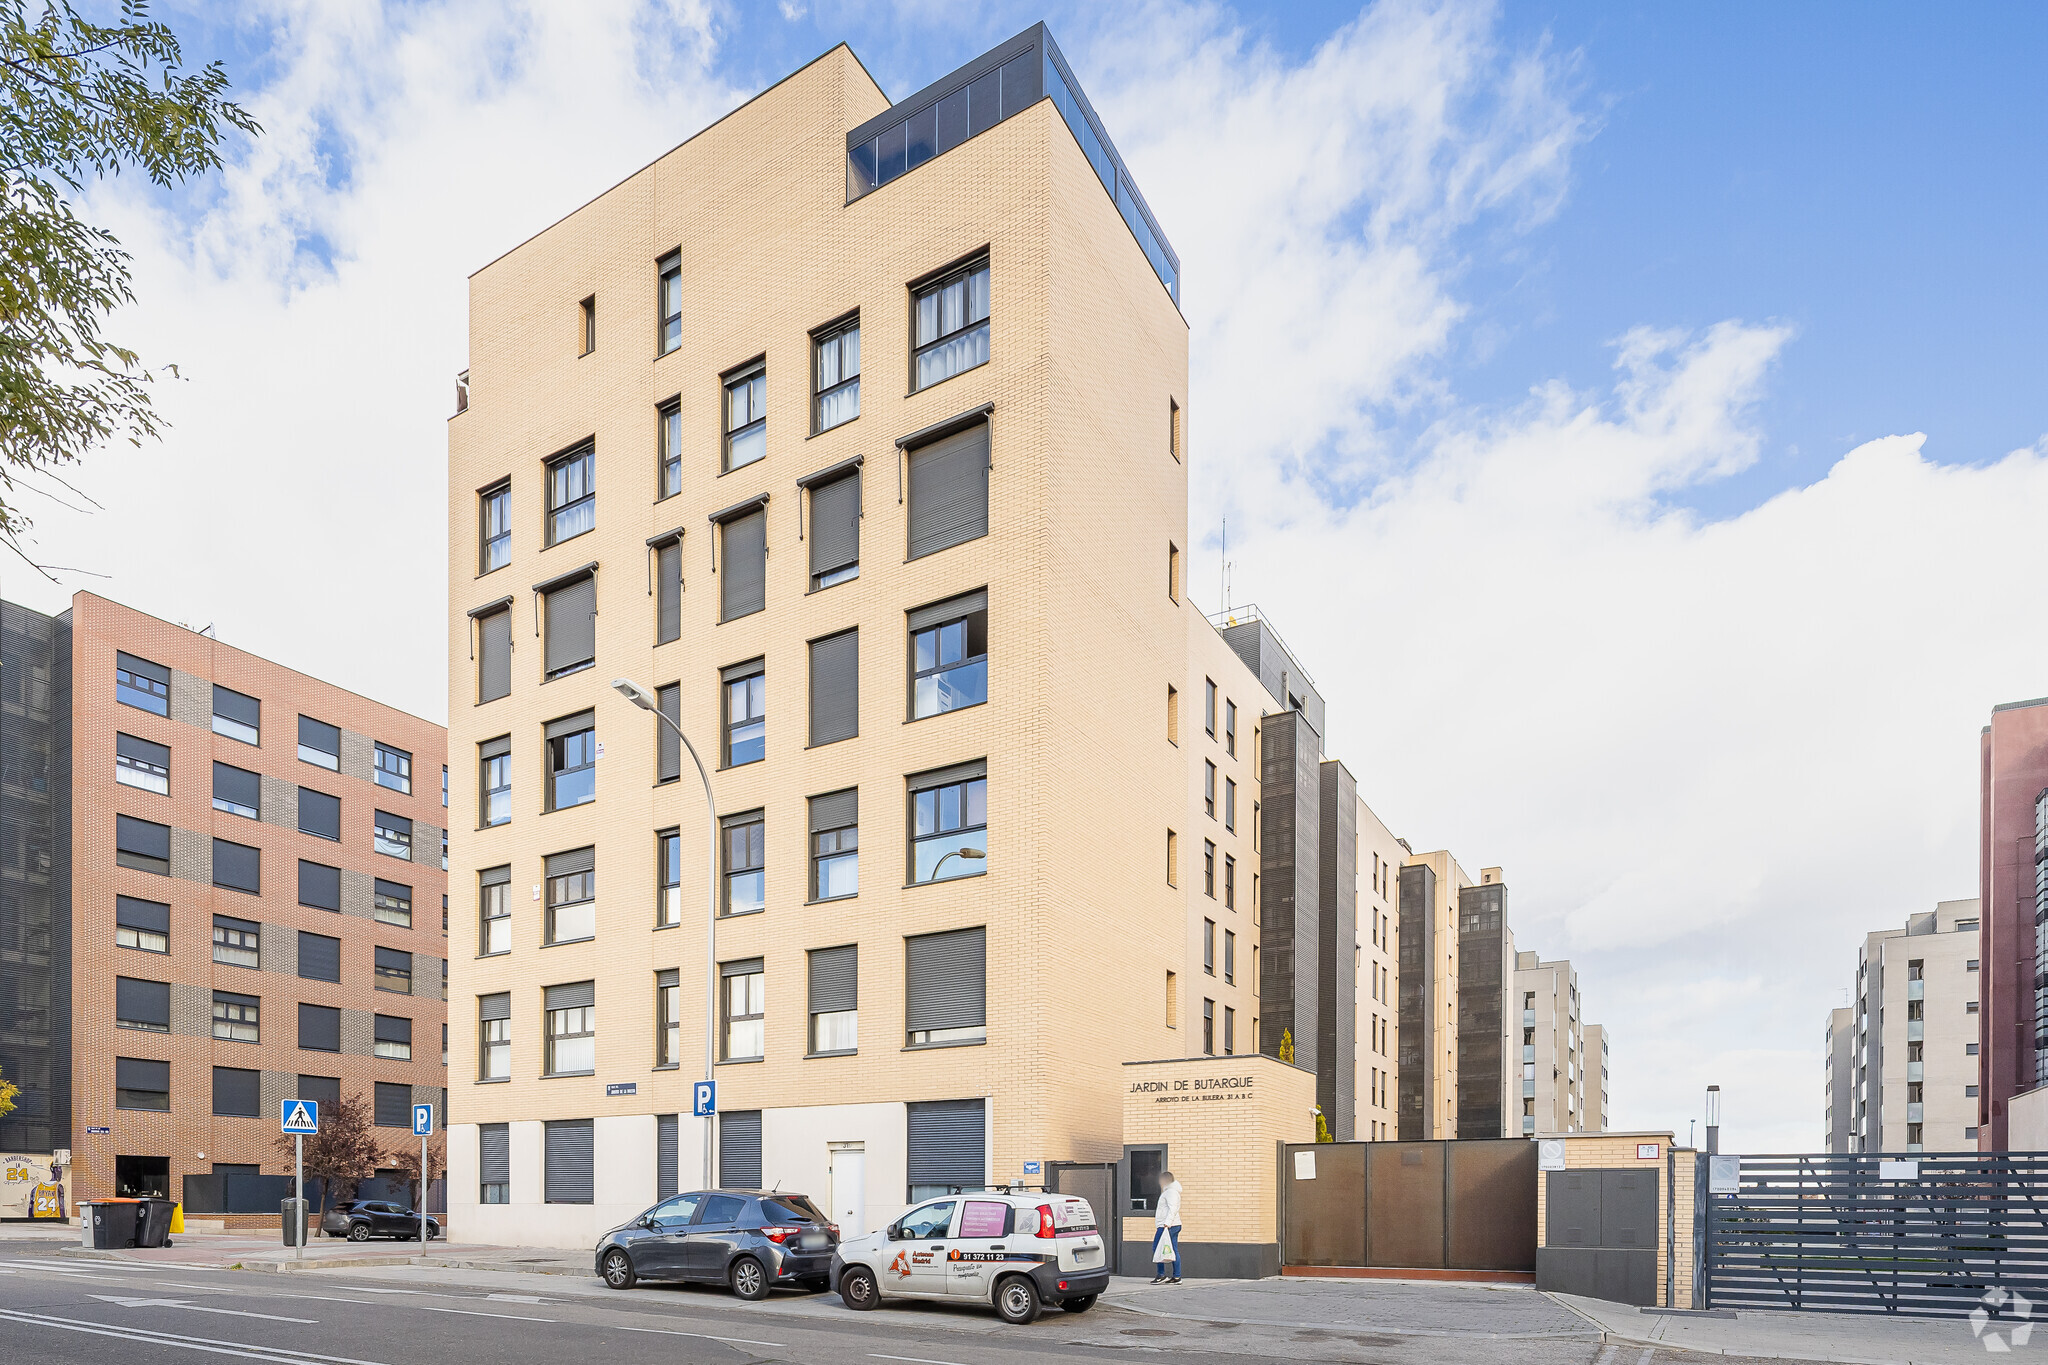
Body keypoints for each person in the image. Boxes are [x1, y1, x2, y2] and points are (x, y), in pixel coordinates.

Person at [1150, 1169, 1183, 1284]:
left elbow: (1172, 1208)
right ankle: (1177, 1276)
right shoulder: (1171, 1191)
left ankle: (1161, 1275)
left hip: (1167, 1226)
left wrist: (1167, 1223)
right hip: (1172, 1225)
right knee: (1173, 1250)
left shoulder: (1170, 1192)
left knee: (1157, 1248)